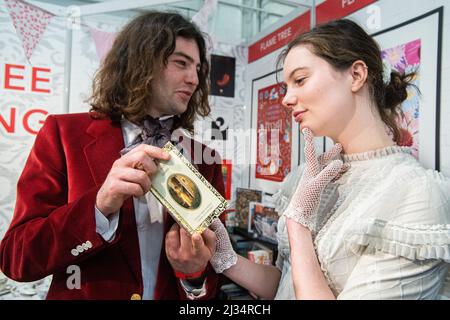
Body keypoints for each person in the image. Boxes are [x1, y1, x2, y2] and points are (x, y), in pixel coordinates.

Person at [208, 19, 450, 300]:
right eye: (286, 86)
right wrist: (226, 260)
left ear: (356, 75)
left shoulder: (416, 192)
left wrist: (297, 227)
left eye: (299, 80)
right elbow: (287, 284)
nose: (286, 99)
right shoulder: (305, 176)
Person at [0, 11, 225, 300]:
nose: (194, 79)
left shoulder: (204, 159)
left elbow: (216, 273)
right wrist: (98, 206)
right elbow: (17, 259)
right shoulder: (65, 134)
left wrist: (193, 276)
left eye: (197, 68)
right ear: (141, 62)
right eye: (181, 63)